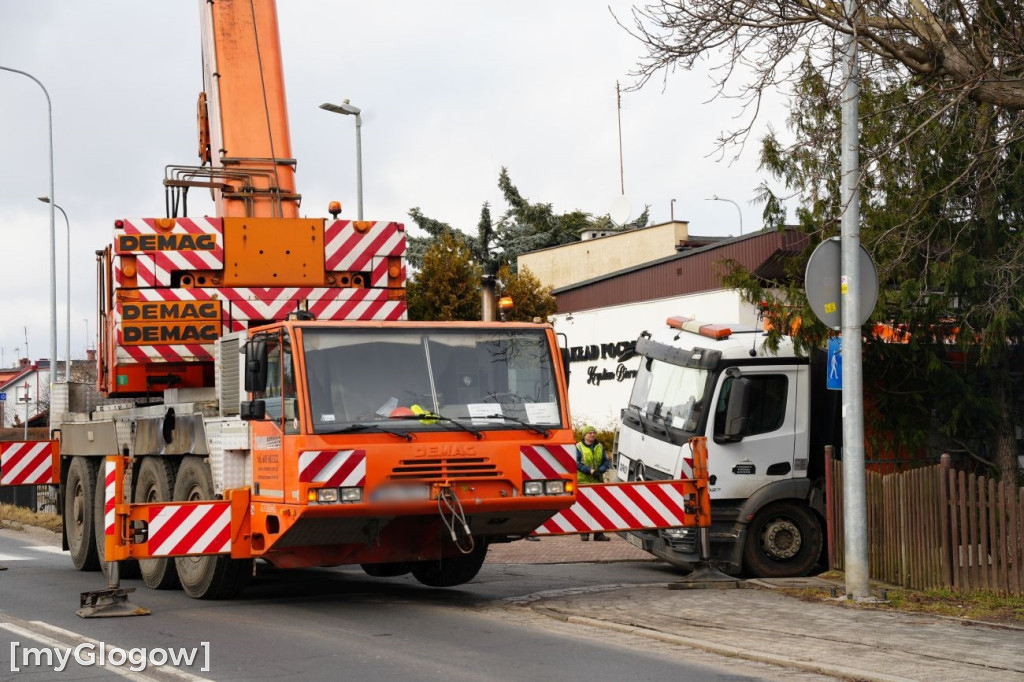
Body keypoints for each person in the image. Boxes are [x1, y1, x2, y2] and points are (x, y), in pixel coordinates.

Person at [576, 425, 611, 541]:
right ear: (584, 435)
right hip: (583, 481)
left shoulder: (599, 446)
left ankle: (598, 534)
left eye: (593, 432)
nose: (592, 434)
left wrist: (600, 471)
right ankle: (584, 532)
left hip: (597, 480)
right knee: (584, 507)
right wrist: (589, 470)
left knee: (599, 508)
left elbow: (606, 461)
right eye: (589, 433)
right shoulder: (578, 447)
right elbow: (576, 463)